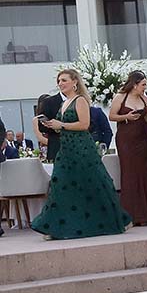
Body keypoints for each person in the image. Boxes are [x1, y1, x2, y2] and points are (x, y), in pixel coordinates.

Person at [31, 69, 131, 239]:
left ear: (74, 82)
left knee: (94, 183)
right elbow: (64, 126)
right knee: (61, 185)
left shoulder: (80, 100)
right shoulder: (64, 103)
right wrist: (52, 125)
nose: (60, 83)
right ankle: (56, 227)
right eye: (59, 81)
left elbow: (84, 125)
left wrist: (61, 125)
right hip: (65, 148)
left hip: (82, 148)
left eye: (64, 80)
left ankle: (115, 219)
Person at [110, 70, 147, 226]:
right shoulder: (120, 97)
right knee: (130, 174)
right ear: (134, 84)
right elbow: (112, 116)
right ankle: (131, 214)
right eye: (143, 85)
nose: (145, 88)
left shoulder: (144, 98)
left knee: (146, 173)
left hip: (142, 138)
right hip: (126, 139)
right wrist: (126, 117)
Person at [36, 90, 65, 161]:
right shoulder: (50, 103)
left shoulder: (80, 99)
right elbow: (41, 130)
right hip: (56, 145)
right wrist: (53, 126)